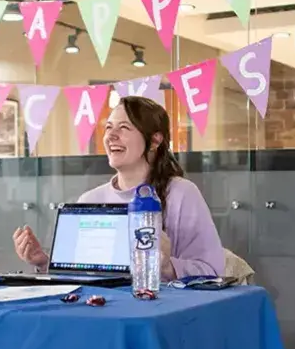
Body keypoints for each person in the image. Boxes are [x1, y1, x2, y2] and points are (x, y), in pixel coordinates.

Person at [12, 96, 224, 280]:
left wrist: (167, 266)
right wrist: (43, 262)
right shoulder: (89, 200)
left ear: (154, 140)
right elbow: (78, 280)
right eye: (108, 127)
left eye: (123, 128)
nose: (111, 136)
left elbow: (212, 272)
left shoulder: (181, 194)